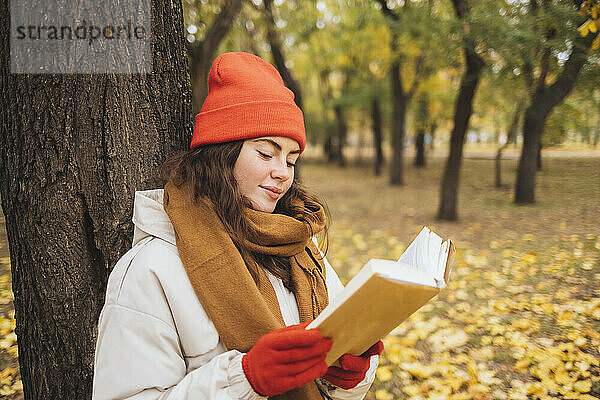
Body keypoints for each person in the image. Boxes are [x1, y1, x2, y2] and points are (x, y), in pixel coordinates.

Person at [92, 52, 382, 399]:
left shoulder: (300, 246)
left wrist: (349, 376)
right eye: (266, 154)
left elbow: (332, 377)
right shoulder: (150, 269)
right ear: (222, 153)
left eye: (291, 160)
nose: (283, 172)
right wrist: (243, 379)